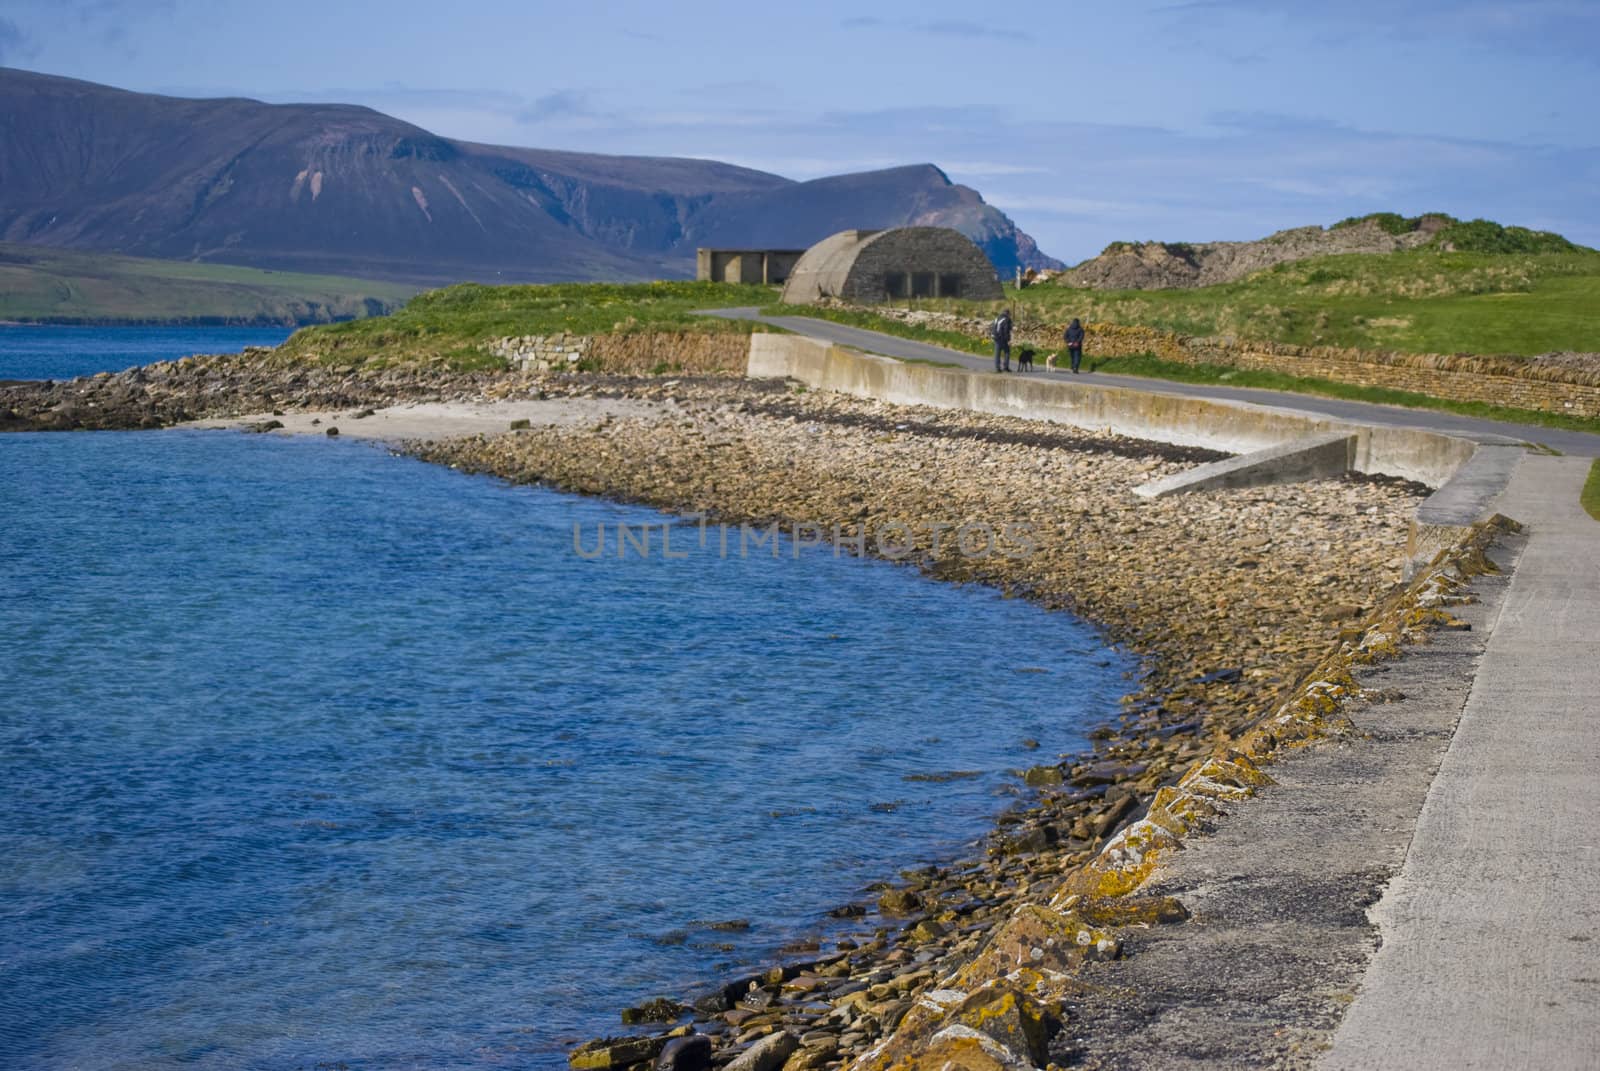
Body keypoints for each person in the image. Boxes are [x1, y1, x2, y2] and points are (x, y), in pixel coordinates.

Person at [992, 308, 1013, 373]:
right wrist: (1008, 339)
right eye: (1009, 314)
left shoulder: (996, 318)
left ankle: (997, 368)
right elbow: (1006, 330)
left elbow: (992, 327)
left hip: (995, 337)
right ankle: (1005, 367)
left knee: (997, 353)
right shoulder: (1007, 319)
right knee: (1007, 352)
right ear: (1008, 313)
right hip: (1003, 338)